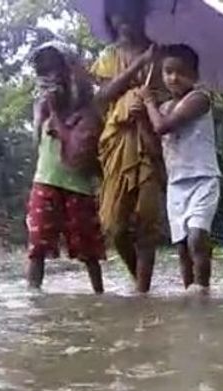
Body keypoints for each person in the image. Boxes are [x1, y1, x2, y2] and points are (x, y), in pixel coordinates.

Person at [90, 0, 167, 294]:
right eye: (117, 16)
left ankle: (143, 293)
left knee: (147, 222)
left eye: (129, 14)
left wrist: (146, 101)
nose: (123, 21)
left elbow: (167, 96)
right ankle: (139, 280)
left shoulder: (160, 53)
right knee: (114, 226)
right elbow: (103, 97)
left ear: (140, 16)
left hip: (149, 139)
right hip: (116, 142)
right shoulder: (109, 56)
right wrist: (138, 65)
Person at [26, 41, 105, 294]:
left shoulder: (87, 108)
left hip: (78, 185)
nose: (51, 77)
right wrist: (40, 115)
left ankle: (99, 295)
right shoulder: (42, 104)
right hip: (46, 179)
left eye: (56, 69)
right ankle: (33, 295)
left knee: (89, 249)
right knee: (37, 246)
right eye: (45, 71)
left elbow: (82, 149)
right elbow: (37, 142)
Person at [142, 44, 221, 295]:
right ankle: (190, 293)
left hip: (203, 178)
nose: (174, 78)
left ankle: (203, 289)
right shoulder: (163, 108)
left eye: (181, 72)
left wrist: (147, 103)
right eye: (168, 72)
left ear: (195, 76)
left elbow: (164, 127)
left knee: (197, 235)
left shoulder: (199, 99)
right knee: (183, 246)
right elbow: (155, 145)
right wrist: (142, 118)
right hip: (176, 182)